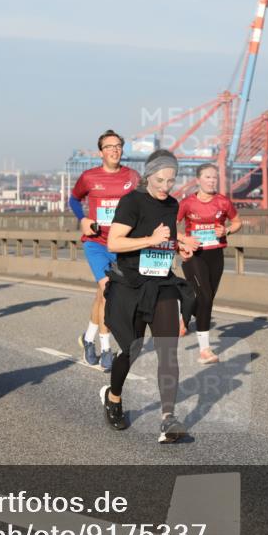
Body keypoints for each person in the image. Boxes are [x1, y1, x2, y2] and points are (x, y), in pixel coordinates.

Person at [101, 149, 199, 443]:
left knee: (168, 350)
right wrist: (151, 240)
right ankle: (113, 396)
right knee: (131, 349)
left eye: (171, 180)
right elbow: (114, 243)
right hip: (131, 284)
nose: (165, 186)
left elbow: (165, 238)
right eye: (160, 180)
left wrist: (179, 246)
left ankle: (168, 419)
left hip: (161, 283)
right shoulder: (131, 201)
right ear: (148, 175)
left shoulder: (172, 203)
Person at [69, 129, 140, 371]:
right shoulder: (89, 177)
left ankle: (88, 339)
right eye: (109, 146)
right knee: (109, 291)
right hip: (97, 243)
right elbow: (73, 199)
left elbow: (143, 204)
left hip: (122, 245)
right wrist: (82, 219)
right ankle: (106, 348)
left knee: (102, 295)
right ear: (101, 152)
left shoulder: (133, 176)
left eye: (118, 145)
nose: (114, 150)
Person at [176, 163, 241, 363]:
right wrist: (183, 241)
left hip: (215, 254)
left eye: (214, 177)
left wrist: (227, 230)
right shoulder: (187, 203)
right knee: (204, 296)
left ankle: (186, 312)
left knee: (208, 298)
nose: (212, 181)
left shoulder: (223, 202)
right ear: (198, 180)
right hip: (194, 255)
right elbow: (171, 227)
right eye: (208, 177)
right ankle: (204, 350)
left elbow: (237, 222)